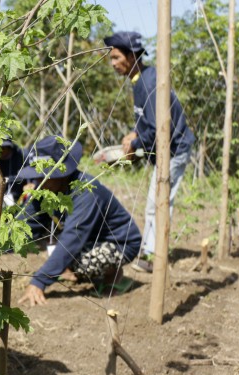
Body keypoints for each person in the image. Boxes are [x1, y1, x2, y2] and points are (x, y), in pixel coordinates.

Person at [104, 31, 195, 273]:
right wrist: (135, 134)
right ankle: (149, 251)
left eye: (115, 58)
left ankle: (155, 256)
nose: (112, 64)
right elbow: (147, 119)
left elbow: (159, 128)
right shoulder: (140, 79)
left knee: (160, 203)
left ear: (132, 56)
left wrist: (134, 146)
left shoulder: (150, 82)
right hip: (163, 151)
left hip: (174, 149)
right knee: (152, 203)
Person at [17, 136, 142, 306]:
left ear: (61, 172)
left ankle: (113, 274)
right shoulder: (47, 188)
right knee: (59, 256)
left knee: (78, 262)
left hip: (120, 243)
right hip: (90, 238)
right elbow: (27, 223)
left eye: (43, 176)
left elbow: (72, 240)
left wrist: (39, 281)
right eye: (36, 176)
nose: (37, 181)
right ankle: (72, 267)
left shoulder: (85, 192)